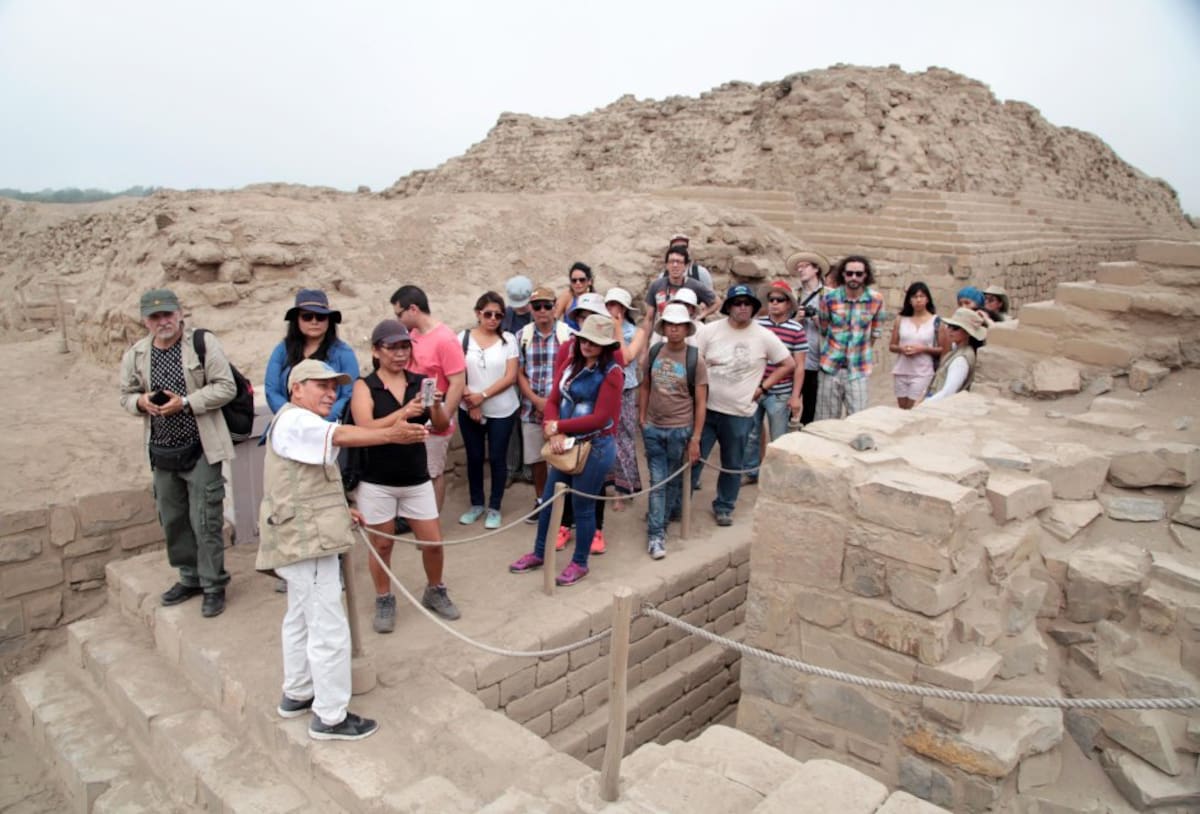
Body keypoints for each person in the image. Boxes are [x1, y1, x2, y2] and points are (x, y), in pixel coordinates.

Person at [260, 359, 427, 741]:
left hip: (302, 533)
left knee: (301, 617)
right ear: (296, 388)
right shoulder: (296, 420)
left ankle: (298, 693)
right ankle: (330, 716)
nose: (331, 392)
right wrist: (392, 435)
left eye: (334, 386)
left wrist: (342, 508)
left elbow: (308, 479)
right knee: (328, 626)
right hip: (308, 538)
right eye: (321, 385)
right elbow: (341, 437)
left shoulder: (297, 422)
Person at [119, 289, 236, 618]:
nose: (164, 321)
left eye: (168, 314)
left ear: (180, 313)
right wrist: (140, 403)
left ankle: (214, 584)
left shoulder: (202, 343)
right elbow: (125, 395)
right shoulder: (137, 354)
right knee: (173, 521)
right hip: (161, 451)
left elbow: (225, 387)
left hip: (200, 448)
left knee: (206, 520)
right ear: (145, 321)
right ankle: (190, 577)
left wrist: (184, 403)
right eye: (155, 317)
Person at [350, 320, 454, 633]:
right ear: (376, 351)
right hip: (377, 481)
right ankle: (384, 598)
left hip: (416, 477)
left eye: (404, 347)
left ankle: (434, 590)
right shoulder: (364, 386)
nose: (399, 353)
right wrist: (404, 413)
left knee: (433, 543)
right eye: (392, 347)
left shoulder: (419, 381)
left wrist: (435, 404)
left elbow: (439, 424)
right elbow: (363, 428)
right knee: (381, 546)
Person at [509, 314, 623, 587]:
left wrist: (559, 425)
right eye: (585, 339)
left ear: (605, 346)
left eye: (595, 342)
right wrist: (554, 428)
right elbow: (554, 399)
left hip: (594, 446)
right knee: (549, 500)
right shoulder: (571, 362)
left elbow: (601, 417)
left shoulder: (613, 373)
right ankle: (539, 552)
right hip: (566, 442)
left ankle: (580, 563)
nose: (588, 345)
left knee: (583, 508)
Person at [388, 285, 464, 620]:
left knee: (434, 472)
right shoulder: (415, 338)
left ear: (413, 309)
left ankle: (429, 529)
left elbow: (457, 382)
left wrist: (443, 418)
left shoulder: (445, 339)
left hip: (435, 420)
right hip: (415, 415)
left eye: (399, 313)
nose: (399, 320)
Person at [691, 284, 794, 526]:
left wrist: (763, 388)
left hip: (739, 412)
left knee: (732, 463)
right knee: (694, 458)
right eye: (738, 303)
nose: (743, 307)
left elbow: (788, 363)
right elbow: (694, 358)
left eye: (748, 303)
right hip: (707, 407)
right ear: (728, 306)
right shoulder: (710, 331)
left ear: (755, 307)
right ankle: (678, 503)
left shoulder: (763, 335)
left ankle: (725, 505)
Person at [640, 304, 708, 559]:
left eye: (678, 324)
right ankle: (656, 534)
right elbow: (646, 385)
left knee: (672, 479)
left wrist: (696, 438)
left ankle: (662, 519)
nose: (674, 328)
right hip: (654, 427)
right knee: (659, 481)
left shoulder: (695, 359)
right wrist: (642, 417)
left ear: (686, 328)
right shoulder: (656, 350)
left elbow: (701, 401)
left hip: (680, 428)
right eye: (670, 324)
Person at [457, 291, 520, 530]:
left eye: (498, 315)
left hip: (501, 409)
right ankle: (476, 504)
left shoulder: (508, 340)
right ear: (478, 314)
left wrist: (481, 397)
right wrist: (470, 401)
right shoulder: (462, 338)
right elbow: (455, 371)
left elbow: (510, 376)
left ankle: (495, 506)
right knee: (473, 457)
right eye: (488, 314)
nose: (493, 319)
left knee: (496, 457)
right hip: (467, 407)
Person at [516, 285, 573, 524]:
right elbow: (519, 373)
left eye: (547, 306)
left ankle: (563, 503)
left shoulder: (566, 335)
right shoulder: (523, 336)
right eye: (537, 306)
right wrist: (536, 400)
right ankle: (542, 500)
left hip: (559, 409)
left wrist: (551, 402)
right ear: (531, 309)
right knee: (537, 460)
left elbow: (572, 371)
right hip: (531, 408)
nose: (542, 311)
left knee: (562, 457)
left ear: (554, 308)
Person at [745, 280, 807, 482]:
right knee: (752, 435)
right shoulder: (757, 325)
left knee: (779, 437)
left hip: (781, 391)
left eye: (779, 300)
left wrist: (795, 396)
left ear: (788, 304)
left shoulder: (796, 329)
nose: (774, 303)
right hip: (755, 388)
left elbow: (799, 366)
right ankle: (751, 472)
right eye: (771, 299)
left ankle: (777, 477)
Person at [264, 289, 359, 420]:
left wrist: (319, 423)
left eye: (321, 317)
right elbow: (272, 390)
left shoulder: (344, 353)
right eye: (307, 317)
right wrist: (293, 418)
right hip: (289, 423)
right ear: (296, 320)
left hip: (328, 427)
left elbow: (348, 394)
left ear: (329, 320)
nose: (314, 322)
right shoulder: (282, 350)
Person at [814, 256, 885, 421]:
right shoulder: (829, 299)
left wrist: (859, 351)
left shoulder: (876, 300)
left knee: (858, 420)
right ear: (843, 275)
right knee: (826, 421)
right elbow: (824, 328)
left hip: (858, 369)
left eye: (858, 274)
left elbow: (875, 332)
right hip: (830, 368)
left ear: (866, 275)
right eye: (849, 273)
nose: (854, 277)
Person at [602, 288, 647, 515]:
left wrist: (617, 329)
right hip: (603, 389)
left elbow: (627, 358)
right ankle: (606, 485)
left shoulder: (636, 332)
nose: (612, 309)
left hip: (626, 390)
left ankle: (623, 488)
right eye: (609, 304)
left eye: (616, 305)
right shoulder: (600, 329)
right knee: (604, 438)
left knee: (625, 440)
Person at [889, 282, 947, 410]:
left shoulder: (936, 322)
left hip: (923, 371)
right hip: (902, 370)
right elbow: (892, 346)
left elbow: (943, 349)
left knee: (913, 407)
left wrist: (922, 349)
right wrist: (901, 349)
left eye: (921, 296)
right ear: (909, 300)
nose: (918, 300)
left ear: (927, 299)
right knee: (902, 408)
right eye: (915, 297)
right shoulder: (901, 319)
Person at [501, 275, 535, 486]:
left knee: (530, 422)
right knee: (512, 422)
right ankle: (511, 468)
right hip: (511, 376)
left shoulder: (540, 312)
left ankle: (530, 468)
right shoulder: (506, 315)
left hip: (532, 376)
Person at [790, 250, 829, 427]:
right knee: (790, 402)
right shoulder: (793, 295)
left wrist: (816, 319)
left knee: (812, 404)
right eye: (798, 267)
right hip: (794, 357)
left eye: (805, 266)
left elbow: (836, 328)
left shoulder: (829, 295)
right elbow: (783, 324)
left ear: (816, 269)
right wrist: (796, 319)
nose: (801, 270)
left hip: (817, 357)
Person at [644, 246, 717, 330]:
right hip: (662, 330)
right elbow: (649, 318)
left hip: (686, 332)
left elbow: (716, 302)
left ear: (686, 266)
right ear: (666, 265)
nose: (675, 265)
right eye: (671, 262)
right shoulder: (656, 285)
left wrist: (700, 316)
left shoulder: (695, 285)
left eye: (679, 262)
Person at [924, 308, 988, 404]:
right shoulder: (956, 351)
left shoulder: (961, 359)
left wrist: (925, 404)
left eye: (955, 328)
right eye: (949, 326)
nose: (949, 330)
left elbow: (949, 392)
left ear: (967, 332)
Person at [659, 234, 723, 316]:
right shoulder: (663, 276)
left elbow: (712, 300)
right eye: (676, 248)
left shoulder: (700, 273)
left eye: (683, 247)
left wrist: (700, 316)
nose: (680, 250)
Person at [554, 262, 596, 328]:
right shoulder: (567, 296)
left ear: (589, 281)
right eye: (574, 280)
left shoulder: (596, 300)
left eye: (582, 280)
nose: (578, 283)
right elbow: (553, 318)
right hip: (568, 336)